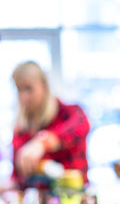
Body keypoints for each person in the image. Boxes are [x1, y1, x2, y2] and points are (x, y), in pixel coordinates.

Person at [11, 61, 90, 190]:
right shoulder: (21, 129)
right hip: (34, 199)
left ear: (44, 85)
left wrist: (42, 141)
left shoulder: (69, 113)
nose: (23, 97)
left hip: (74, 196)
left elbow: (81, 126)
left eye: (29, 88)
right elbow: (16, 179)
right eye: (19, 90)